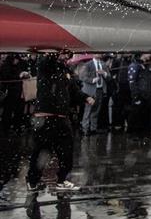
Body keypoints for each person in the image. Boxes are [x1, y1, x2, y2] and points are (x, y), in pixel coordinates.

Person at [27, 53, 93, 193]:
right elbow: (46, 60)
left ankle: (62, 179)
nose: (65, 56)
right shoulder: (45, 67)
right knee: (41, 152)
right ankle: (32, 181)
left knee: (66, 151)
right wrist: (53, 52)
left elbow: (74, 90)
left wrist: (85, 97)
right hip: (45, 117)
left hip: (62, 117)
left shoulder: (65, 71)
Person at [79, 54, 108, 136]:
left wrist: (104, 73)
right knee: (88, 110)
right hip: (89, 91)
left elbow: (108, 76)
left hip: (100, 89)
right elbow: (82, 77)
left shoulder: (103, 64)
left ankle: (93, 128)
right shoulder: (88, 64)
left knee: (96, 110)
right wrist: (92, 80)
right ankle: (85, 129)